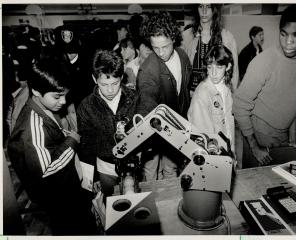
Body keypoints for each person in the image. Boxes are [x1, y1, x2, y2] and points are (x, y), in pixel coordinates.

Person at [7, 55, 97, 235]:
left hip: (67, 188)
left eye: (65, 95)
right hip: (59, 199)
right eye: (57, 96)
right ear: (37, 92)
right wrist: (71, 140)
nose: (63, 102)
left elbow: (49, 143)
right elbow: (46, 168)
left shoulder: (44, 107)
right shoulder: (30, 129)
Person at [233, 4, 296, 168]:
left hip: (283, 133)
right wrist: (254, 147)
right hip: (257, 133)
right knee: (257, 186)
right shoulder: (264, 61)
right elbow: (239, 106)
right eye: (283, 34)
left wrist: (291, 139)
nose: (288, 42)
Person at [137, 11, 192, 180]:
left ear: (173, 39)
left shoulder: (182, 56)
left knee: (171, 171)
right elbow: (146, 104)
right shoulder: (148, 70)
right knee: (150, 173)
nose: (160, 53)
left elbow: (185, 90)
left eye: (165, 46)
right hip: (154, 133)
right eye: (155, 47)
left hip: (177, 126)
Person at [77, 50, 139, 197]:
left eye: (115, 83)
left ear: (122, 77)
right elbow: (86, 145)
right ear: (94, 79)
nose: (110, 90)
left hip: (133, 166)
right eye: (104, 84)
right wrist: (93, 177)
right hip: (104, 169)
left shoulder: (135, 99)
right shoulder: (86, 107)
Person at [188, 45, 235, 155]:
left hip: (227, 149)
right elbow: (203, 136)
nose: (213, 73)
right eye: (210, 67)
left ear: (228, 67)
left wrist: (231, 152)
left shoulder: (226, 88)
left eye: (219, 67)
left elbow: (228, 125)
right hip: (213, 155)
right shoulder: (202, 94)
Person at [182, 4, 239, 94]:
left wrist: (232, 96)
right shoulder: (186, 36)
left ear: (214, 9)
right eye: (201, 6)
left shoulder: (227, 37)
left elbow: (234, 71)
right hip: (192, 95)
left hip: (217, 95)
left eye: (208, 7)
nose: (204, 11)